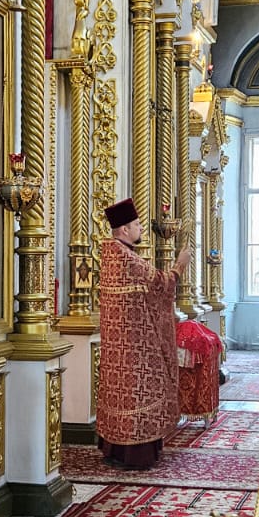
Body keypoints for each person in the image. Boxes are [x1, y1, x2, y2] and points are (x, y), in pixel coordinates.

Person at [96, 196, 190, 469]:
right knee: (141, 390)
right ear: (124, 229)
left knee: (119, 392)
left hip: (118, 344)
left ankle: (115, 450)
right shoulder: (127, 258)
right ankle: (136, 455)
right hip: (137, 345)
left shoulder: (110, 254)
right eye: (137, 224)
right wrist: (180, 264)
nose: (140, 228)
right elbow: (162, 283)